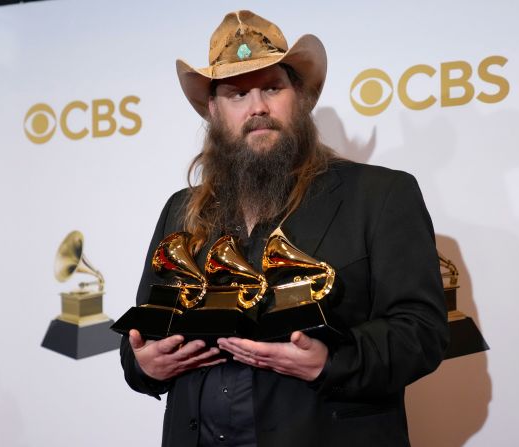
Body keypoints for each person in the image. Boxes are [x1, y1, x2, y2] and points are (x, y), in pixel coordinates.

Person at [120, 10, 449, 447]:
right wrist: (144, 365)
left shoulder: (381, 194)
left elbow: (422, 332)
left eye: (272, 88)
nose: (257, 107)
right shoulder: (179, 210)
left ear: (301, 98)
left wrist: (331, 361)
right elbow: (141, 335)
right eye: (237, 95)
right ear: (214, 112)